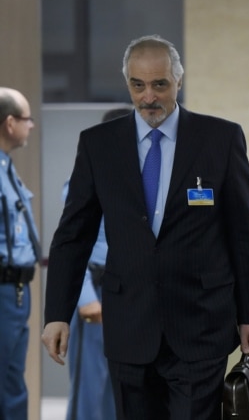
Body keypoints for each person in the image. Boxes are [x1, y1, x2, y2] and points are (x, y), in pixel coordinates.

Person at [41, 34, 249, 420]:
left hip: (200, 325)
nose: (149, 97)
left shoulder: (220, 138)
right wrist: (57, 313)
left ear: (178, 81)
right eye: (138, 85)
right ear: (127, 82)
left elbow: (243, 234)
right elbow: (72, 236)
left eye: (160, 84)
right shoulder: (99, 144)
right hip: (129, 325)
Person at [63, 107, 131, 420]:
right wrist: (86, 298)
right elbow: (73, 247)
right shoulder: (84, 179)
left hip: (131, 294)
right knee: (93, 386)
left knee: (128, 386)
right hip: (95, 293)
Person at [0, 87, 40, 420]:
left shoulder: (6, 166)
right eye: (27, 119)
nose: (32, 125)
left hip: (15, 291)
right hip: (2, 288)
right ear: (9, 122)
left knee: (12, 382)